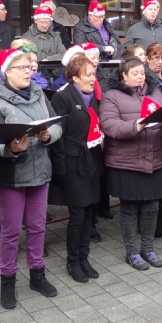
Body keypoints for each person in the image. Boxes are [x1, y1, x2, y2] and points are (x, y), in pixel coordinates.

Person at [0, 49, 63, 309]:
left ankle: (37, 275)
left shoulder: (39, 94)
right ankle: (7, 281)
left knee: (38, 227)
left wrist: (50, 135)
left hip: (40, 172)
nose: (28, 72)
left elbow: (57, 125)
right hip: (10, 176)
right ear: (6, 71)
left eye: (30, 67)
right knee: (11, 231)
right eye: (22, 68)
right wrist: (11, 149)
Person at [100, 57, 162, 270]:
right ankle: (132, 252)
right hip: (126, 163)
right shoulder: (112, 96)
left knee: (152, 207)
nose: (140, 76)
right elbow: (109, 125)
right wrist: (136, 125)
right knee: (130, 209)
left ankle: (148, 248)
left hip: (153, 160)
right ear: (123, 76)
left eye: (142, 72)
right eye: (134, 73)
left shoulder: (156, 93)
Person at [48, 54, 104, 283]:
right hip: (72, 162)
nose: (93, 78)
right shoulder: (62, 99)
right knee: (78, 213)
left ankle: (84, 257)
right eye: (88, 75)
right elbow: (57, 136)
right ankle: (73, 261)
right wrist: (60, 168)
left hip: (91, 159)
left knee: (90, 210)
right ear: (74, 78)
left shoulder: (93, 97)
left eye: (93, 73)